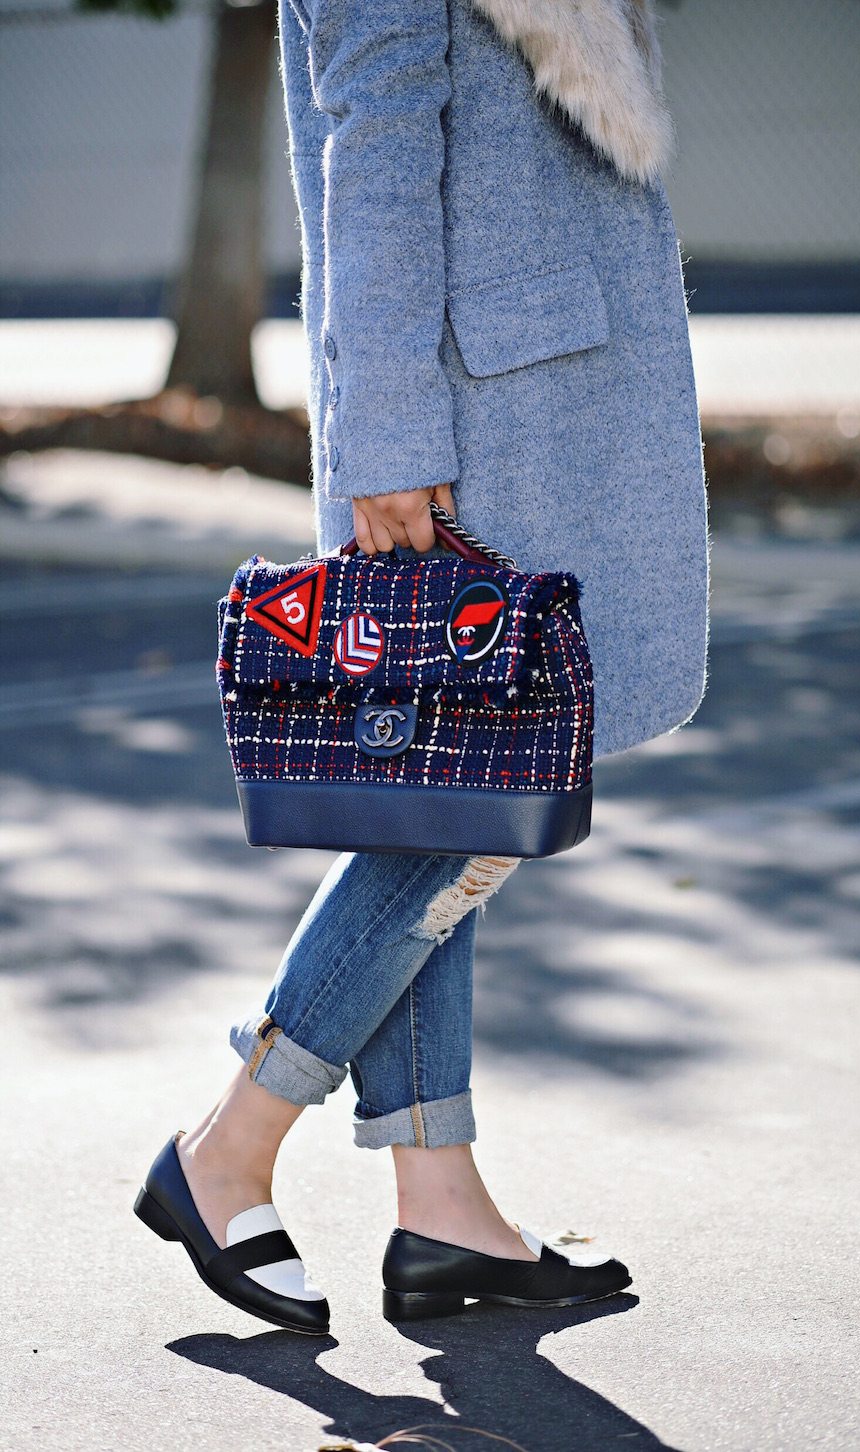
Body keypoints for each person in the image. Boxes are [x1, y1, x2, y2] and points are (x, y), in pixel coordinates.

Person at [134, 0, 709, 1334]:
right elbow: (372, 121)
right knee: (469, 808)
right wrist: (385, 427)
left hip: (518, 378)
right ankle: (227, 1149)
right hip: (474, 401)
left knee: (448, 794)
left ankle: (438, 1199)